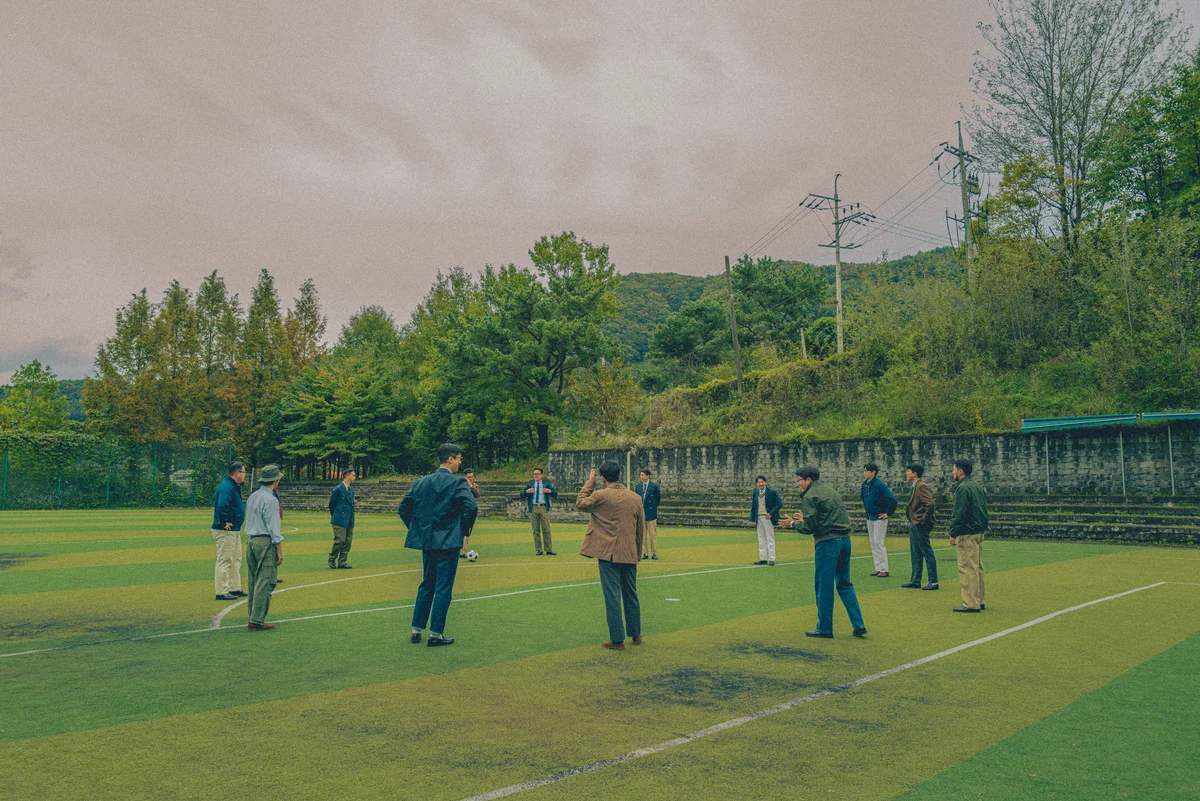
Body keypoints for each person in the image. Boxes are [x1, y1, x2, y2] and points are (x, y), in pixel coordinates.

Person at [399, 443, 479, 646]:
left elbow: (403, 508)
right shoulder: (458, 483)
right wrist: (463, 530)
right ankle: (435, 634)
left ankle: (416, 630)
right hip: (449, 542)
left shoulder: (421, 482)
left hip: (428, 541)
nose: (460, 462)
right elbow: (471, 507)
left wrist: (419, 529)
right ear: (450, 459)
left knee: (427, 584)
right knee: (443, 587)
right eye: (459, 458)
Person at [784, 465, 867, 639]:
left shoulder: (810, 495)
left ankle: (824, 627)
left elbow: (809, 527)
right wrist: (804, 519)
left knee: (824, 585)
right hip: (845, 540)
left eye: (799, 480)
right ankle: (859, 624)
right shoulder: (832, 491)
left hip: (828, 543)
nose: (798, 483)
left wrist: (793, 523)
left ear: (808, 480)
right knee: (845, 583)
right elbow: (825, 517)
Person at [577, 460, 645, 650]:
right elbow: (641, 529)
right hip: (629, 552)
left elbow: (580, 502)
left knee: (612, 596)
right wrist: (637, 553)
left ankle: (617, 640)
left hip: (608, 554)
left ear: (603, 478)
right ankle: (636, 634)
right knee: (631, 594)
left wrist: (590, 482)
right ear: (620, 475)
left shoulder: (599, 495)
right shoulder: (635, 497)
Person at [245, 464, 285, 631]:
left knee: (254, 580)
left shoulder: (253, 496)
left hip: (251, 541)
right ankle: (257, 620)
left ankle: (253, 616)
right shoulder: (271, 500)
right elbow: (274, 528)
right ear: (275, 481)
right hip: (264, 541)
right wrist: (280, 549)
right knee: (266, 580)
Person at [949, 458, 989, 613]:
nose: (952, 472)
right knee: (978, 567)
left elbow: (959, 512)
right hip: (979, 530)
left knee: (967, 567)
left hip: (967, 532)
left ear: (960, 471)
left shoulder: (962, 488)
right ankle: (980, 599)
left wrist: (953, 532)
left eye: (954, 469)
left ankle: (970, 602)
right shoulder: (976, 486)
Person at [210, 461, 247, 601]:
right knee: (225, 559)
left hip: (233, 529)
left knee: (235, 559)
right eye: (243, 472)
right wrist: (225, 521)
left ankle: (234, 587)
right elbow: (222, 505)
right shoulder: (227, 486)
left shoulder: (232, 486)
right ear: (237, 473)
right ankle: (221, 591)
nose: (244, 475)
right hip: (226, 530)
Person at [900, 463, 938, 590]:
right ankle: (915, 580)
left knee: (926, 551)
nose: (906, 473)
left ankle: (933, 581)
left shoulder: (921, 486)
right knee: (915, 552)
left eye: (908, 471)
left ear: (915, 473)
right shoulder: (915, 486)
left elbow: (930, 504)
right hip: (915, 522)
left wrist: (923, 520)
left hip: (919, 523)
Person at [860, 462, 898, 578]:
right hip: (870, 516)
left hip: (879, 517)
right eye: (864, 470)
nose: (865, 473)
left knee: (879, 542)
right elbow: (863, 497)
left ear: (873, 472)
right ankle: (878, 567)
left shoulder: (880, 485)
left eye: (867, 471)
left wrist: (887, 513)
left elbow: (892, 500)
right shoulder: (865, 485)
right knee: (873, 542)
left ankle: (884, 569)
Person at [523, 467, 558, 555]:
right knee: (536, 530)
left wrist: (549, 491)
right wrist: (527, 491)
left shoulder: (546, 484)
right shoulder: (530, 485)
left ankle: (549, 549)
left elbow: (555, 494)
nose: (536, 476)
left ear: (541, 475)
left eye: (537, 474)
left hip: (543, 507)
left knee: (546, 529)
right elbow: (522, 494)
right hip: (534, 507)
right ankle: (538, 550)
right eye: (534, 474)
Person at [749, 476, 782, 566]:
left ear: (765, 482)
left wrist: (771, 513)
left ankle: (771, 558)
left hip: (767, 518)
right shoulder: (756, 493)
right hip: (758, 517)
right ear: (757, 484)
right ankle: (763, 558)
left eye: (762, 482)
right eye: (759, 482)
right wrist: (752, 519)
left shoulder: (772, 492)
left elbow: (779, 504)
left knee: (770, 538)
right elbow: (753, 507)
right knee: (761, 538)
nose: (761, 484)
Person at [328, 468, 356, 569]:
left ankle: (342, 561)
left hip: (349, 519)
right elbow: (332, 505)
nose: (354, 477)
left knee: (347, 542)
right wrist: (336, 516)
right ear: (347, 476)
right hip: (339, 519)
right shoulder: (338, 489)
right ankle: (332, 558)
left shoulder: (351, 490)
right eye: (353, 475)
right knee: (339, 540)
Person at [635, 469, 661, 561]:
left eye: (643, 475)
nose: (641, 477)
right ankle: (644, 552)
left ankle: (654, 553)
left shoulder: (654, 487)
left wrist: (653, 508)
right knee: (643, 535)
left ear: (648, 476)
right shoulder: (638, 487)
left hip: (651, 513)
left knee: (652, 534)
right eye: (640, 475)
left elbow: (658, 499)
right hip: (641, 513)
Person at [459, 467, 482, 559]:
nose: (471, 479)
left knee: (467, 531)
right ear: (465, 477)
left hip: (470, 512)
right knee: (459, 530)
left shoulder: (474, 485)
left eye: (472, 477)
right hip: (461, 511)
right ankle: (459, 550)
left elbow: (477, 495)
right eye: (469, 477)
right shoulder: (461, 485)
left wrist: (471, 487)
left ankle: (463, 551)